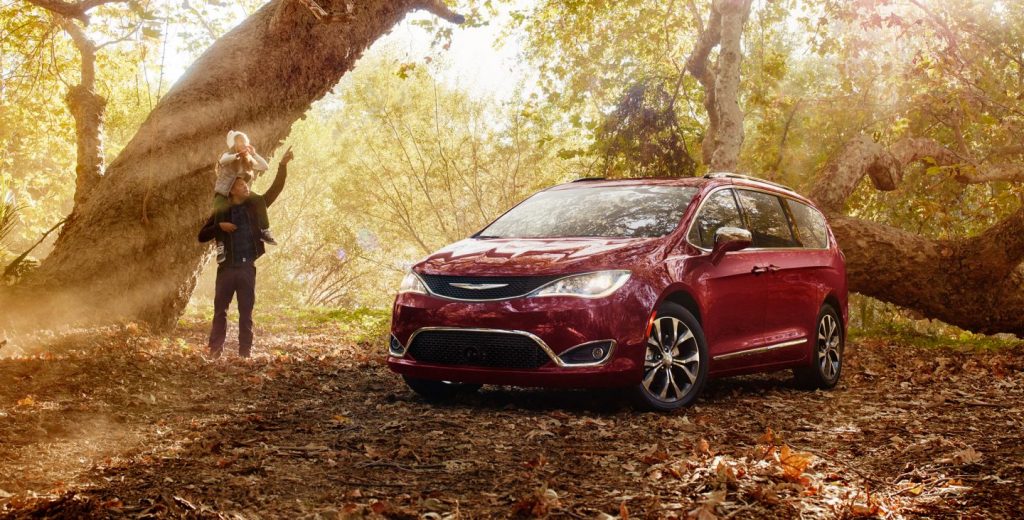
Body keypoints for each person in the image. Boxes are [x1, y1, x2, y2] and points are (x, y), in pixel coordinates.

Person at [198, 146, 293, 359]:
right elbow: (201, 236)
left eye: (246, 184)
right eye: (241, 185)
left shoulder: (255, 207)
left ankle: (245, 353)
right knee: (220, 311)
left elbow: (274, 190)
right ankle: (215, 351)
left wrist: (282, 166)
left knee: (246, 313)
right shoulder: (220, 212)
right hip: (226, 270)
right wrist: (219, 227)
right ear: (232, 190)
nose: (246, 187)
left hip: (247, 269)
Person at [215, 130, 276, 245]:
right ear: (233, 144)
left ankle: (265, 231)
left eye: (244, 142)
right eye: (239, 142)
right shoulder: (228, 155)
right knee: (221, 213)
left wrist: (254, 154)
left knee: (258, 199)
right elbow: (223, 160)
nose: (242, 145)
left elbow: (265, 166)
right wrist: (237, 155)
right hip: (225, 191)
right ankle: (220, 245)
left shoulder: (247, 160)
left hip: (239, 192)